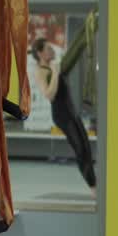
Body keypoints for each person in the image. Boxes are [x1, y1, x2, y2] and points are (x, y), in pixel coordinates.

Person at [31, 37, 97, 195]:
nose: (52, 50)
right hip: (62, 115)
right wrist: (55, 73)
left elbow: (74, 53)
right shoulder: (40, 72)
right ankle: (94, 188)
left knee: (87, 149)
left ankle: (95, 185)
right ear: (40, 53)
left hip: (72, 112)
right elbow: (49, 95)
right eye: (48, 49)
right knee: (80, 150)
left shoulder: (57, 67)